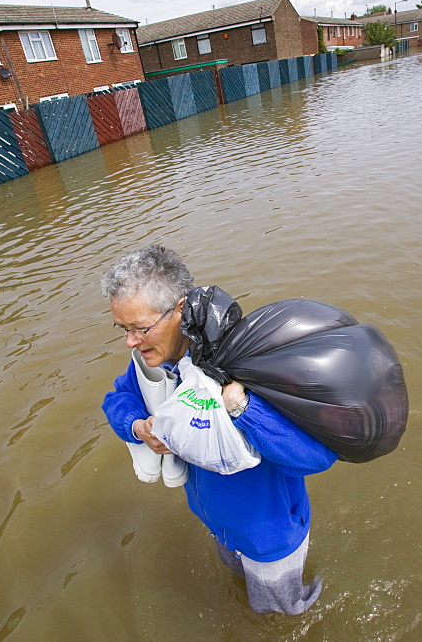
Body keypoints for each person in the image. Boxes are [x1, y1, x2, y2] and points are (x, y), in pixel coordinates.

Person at [101, 244, 337, 615]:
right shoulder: (151, 363)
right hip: (216, 524)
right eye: (123, 329)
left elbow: (315, 456)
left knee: (280, 617)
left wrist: (242, 409)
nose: (130, 341)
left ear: (179, 310)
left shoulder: (245, 368)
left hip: (268, 537)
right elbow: (117, 397)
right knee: (241, 589)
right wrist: (137, 425)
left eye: (139, 328)